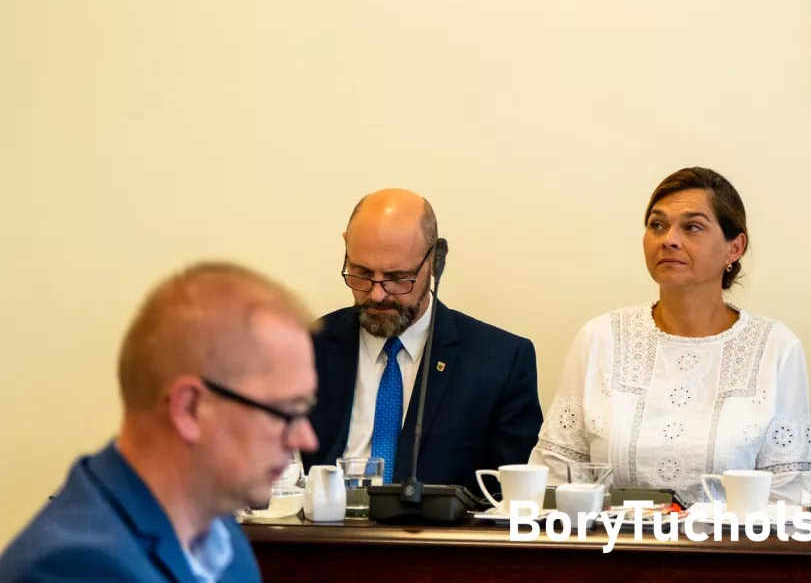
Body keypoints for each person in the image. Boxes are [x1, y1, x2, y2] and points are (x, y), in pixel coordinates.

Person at [0, 263, 318, 583]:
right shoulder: (75, 568)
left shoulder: (221, 535)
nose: (306, 439)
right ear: (190, 408)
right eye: (283, 413)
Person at [532, 167, 811, 504]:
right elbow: (555, 477)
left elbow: (788, 496)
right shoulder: (600, 338)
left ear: (734, 248)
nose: (669, 239)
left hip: (733, 538)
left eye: (692, 227)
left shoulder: (775, 346)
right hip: (611, 536)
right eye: (657, 225)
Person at [303, 189, 541, 489]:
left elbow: (512, 496)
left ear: (436, 261)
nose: (377, 294)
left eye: (397, 277)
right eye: (361, 273)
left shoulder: (501, 362)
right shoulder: (305, 347)